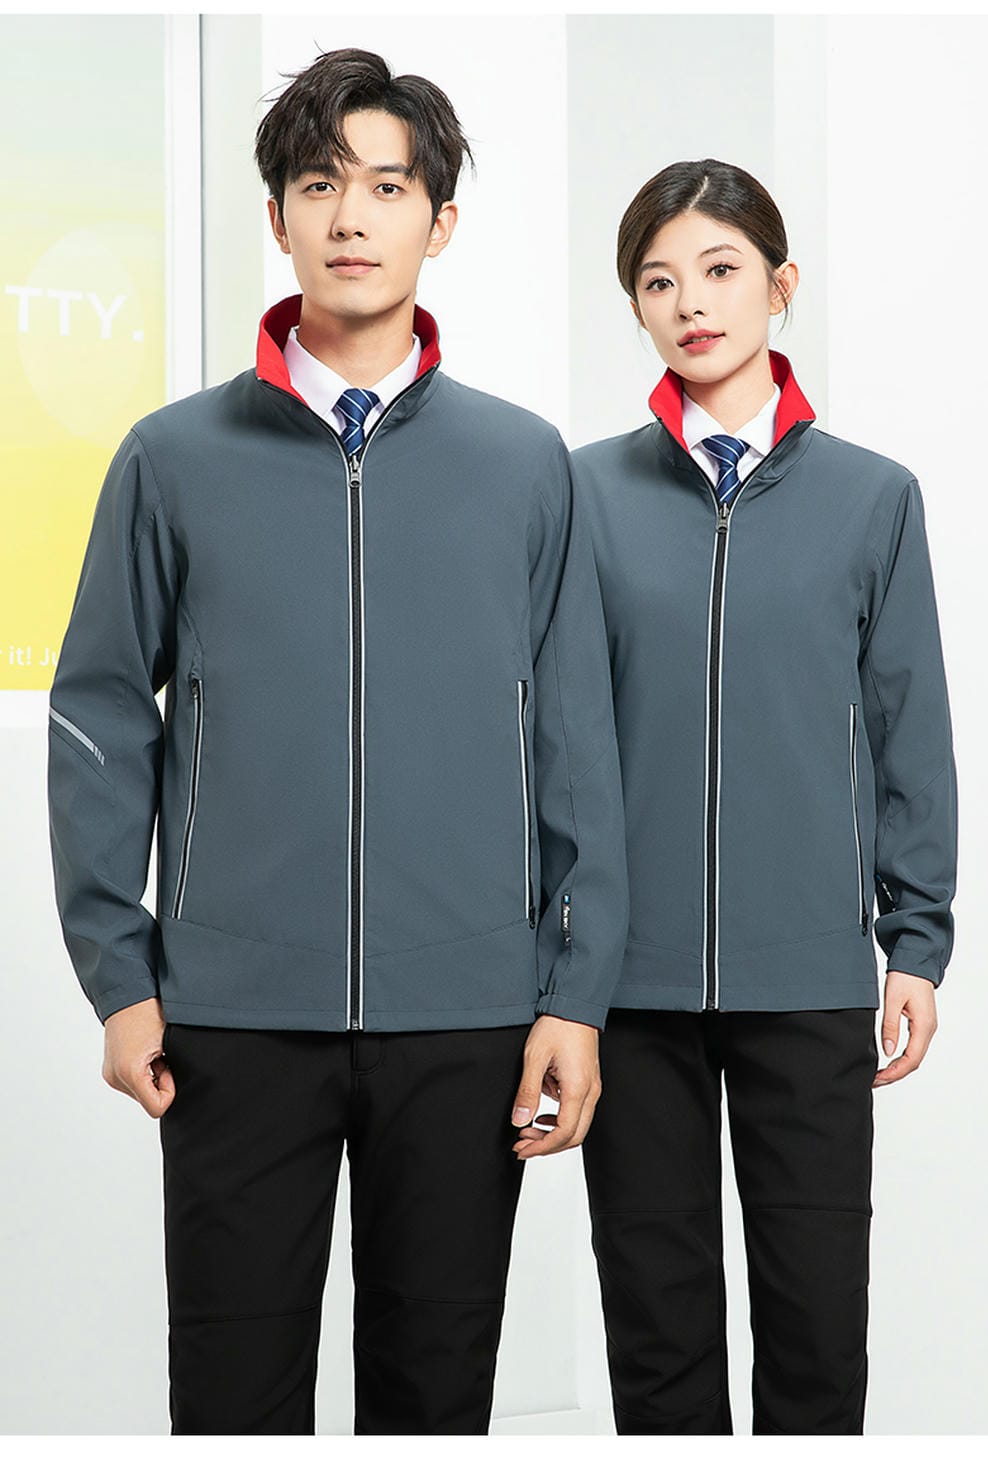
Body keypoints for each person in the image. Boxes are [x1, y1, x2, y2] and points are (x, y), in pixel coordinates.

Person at [46, 47, 628, 1436]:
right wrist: (119, 979)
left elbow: (576, 740)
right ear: (278, 215)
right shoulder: (172, 458)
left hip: (468, 1016)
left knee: (435, 1406)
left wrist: (576, 995)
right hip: (232, 1016)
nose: (351, 217)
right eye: (319, 186)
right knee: (233, 1406)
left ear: (441, 220)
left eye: (385, 186)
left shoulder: (522, 464)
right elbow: (102, 713)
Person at [564, 159, 957, 1435]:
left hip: (809, 978)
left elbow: (909, 730)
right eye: (657, 281)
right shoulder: (581, 496)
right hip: (629, 987)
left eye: (720, 270)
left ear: (780, 287)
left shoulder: (872, 498)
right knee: (656, 1336)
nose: (690, 303)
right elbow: (551, 740)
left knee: (815, 1331)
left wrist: (917, 939)